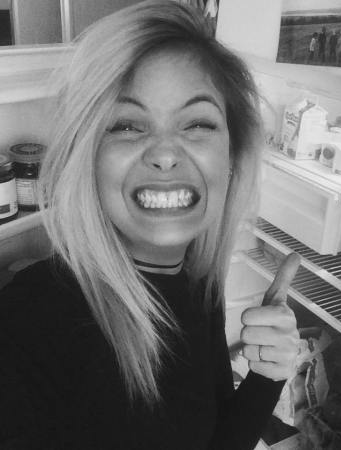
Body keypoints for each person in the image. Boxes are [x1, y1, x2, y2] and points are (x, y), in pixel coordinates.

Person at [0, 1, 301, 449]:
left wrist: (268, 375)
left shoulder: (200, 288)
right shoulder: (26, 321)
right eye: (126, 126)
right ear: (88, 159)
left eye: (197, 123)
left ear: (232, 158)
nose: (164, 154)